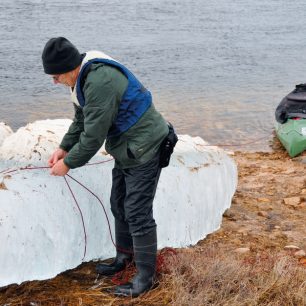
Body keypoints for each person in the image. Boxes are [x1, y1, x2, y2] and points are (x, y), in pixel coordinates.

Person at [41, 37, 177, 297]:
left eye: (56, 76)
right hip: (127, 148)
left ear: (69, 67)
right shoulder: (81, 78)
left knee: (137, 212)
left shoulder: (99, 81)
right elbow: (82, 118)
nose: (53, 81)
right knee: (118, 202)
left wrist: (68, 164)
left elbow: (93, 135)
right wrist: (64, 147)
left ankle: (145, 279)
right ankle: (123, 258)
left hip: (145, 147)